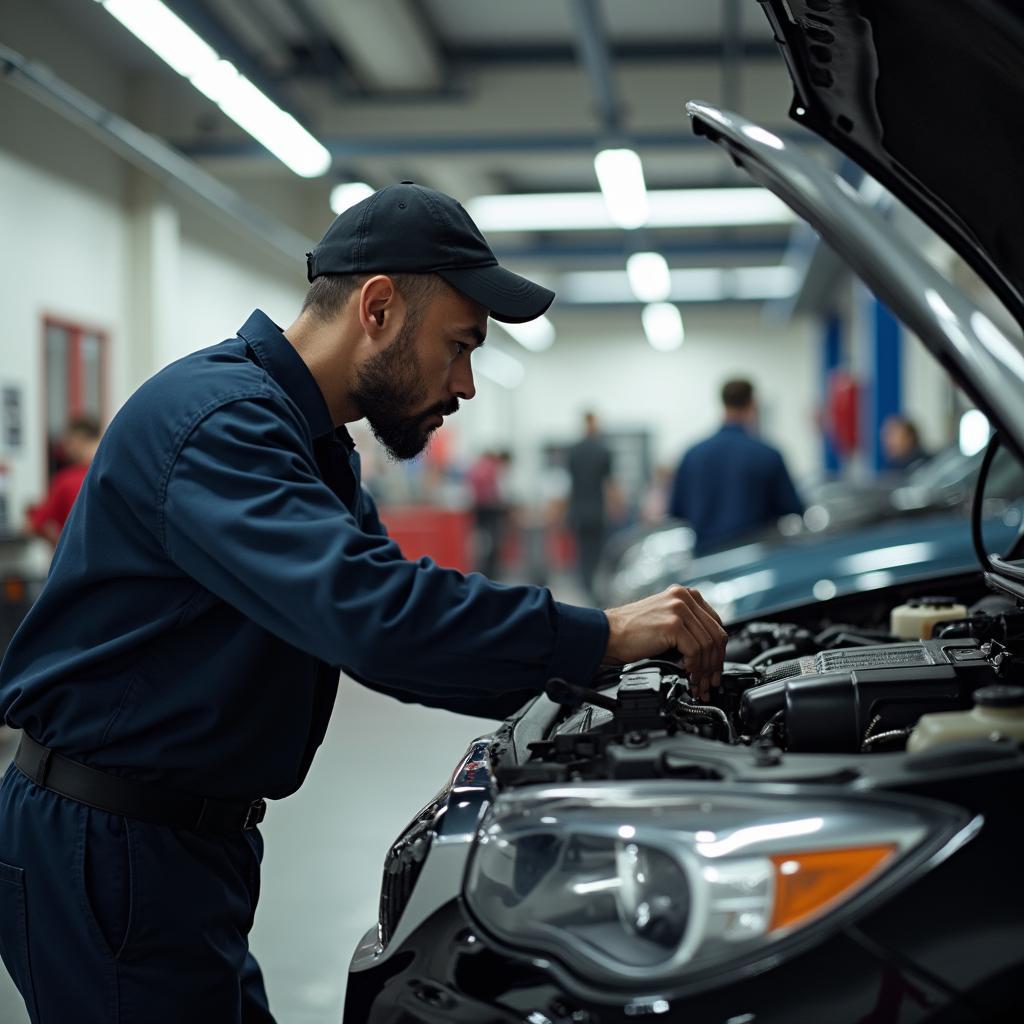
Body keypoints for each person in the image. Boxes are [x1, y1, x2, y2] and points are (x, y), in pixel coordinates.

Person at [0, 183, 726, 1024]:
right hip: (110, 845)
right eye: (458, 347)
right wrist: (601, 634)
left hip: (183, 845)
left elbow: (400, 613)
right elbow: (376, 617)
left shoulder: (308, 443)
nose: (465, 384)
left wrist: (586, 672)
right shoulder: (223, 425)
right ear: (378, 308)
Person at [669, 378, 803, 554]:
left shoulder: (692, 455)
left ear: (723, 402)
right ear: (752, 404)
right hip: (754, 563)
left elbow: (677, 512)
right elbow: (791, 510)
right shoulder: (768, 455)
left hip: (704, 560)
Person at [25, 414, 101, 545]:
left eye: (68, 442)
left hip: (77, 561)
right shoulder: (116, 474)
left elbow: (33, 526)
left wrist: (58, 546)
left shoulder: (66, 481)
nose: (64, 447)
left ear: (78, 440)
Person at [566, 410, 618, 602]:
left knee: (582, 551)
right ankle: (592, 590)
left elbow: (570, 483)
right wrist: (615, 507)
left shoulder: (574, 450)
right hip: (597, 511)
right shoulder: (602, 450)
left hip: (578, 510)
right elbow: (609, 483)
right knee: (596, 551)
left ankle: (586, 586)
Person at [466, 449, 511, 578]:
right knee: (493, 541)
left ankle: (481, 570)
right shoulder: (492, 467)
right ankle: (491, 573)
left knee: (481, 540)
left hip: (478, 508)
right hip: (491, 509)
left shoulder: (477, 467)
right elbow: (495, 491)